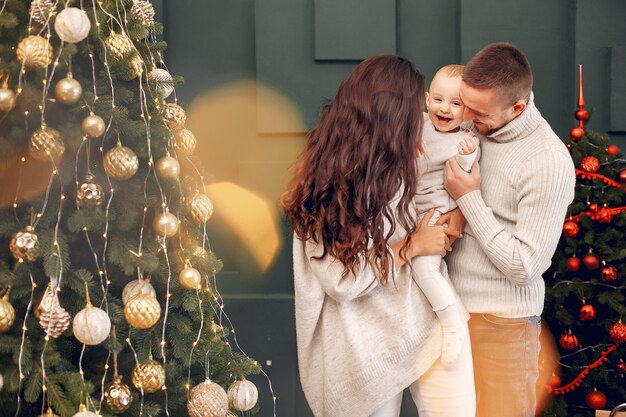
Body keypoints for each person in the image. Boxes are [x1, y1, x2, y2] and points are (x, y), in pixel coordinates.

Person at [281, 55, 476, 417]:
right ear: (388, 118)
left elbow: (454, 170)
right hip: (365, 345)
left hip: (424, 321)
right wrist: (410, 246)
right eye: (414, 112)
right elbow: (342, 282)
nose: (423, 120)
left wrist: (460, 210)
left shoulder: (405, 161)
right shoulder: (324, 185)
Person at [442, 43, 576, 417]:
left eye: (477, 111)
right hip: (451, 317)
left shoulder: (546, 161)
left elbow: (524, 266)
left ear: (517, 108)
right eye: (463, 103)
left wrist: (468, 198)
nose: (464, 116)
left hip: (503, 326)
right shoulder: (473, 125)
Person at [413, 64, 478, 367]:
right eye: (439, 100)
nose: (445, 109)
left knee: (424, 268)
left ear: (467, 110)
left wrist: (466, 155)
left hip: (435, 213)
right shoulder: (418, 125)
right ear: (427, 99)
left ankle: (453, 324)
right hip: (409, 211)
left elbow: (464, 173)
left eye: (456, 104)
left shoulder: (464, 140)